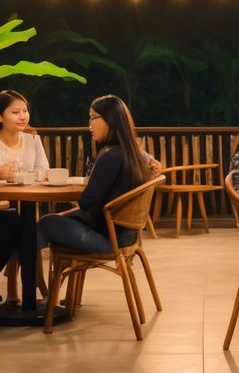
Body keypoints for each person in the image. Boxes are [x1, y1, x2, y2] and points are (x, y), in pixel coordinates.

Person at [0, 90, 51, 322]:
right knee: (14, 223)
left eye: (24, 111)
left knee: (18, 223)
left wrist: (21, 175)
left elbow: (43, 169)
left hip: (17, 208)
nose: (22, 116)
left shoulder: (32, 140)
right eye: (15, 112)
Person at [38, 95, 153, 255]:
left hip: (108, 240)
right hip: (126, 236)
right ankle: (34, 278)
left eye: (93, 117)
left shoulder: (110, 155)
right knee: (57, 221)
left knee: (46, 223)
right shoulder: (133, 154)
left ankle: (31, 278)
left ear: (110, 120)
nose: (89, 124)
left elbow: (87, 202)